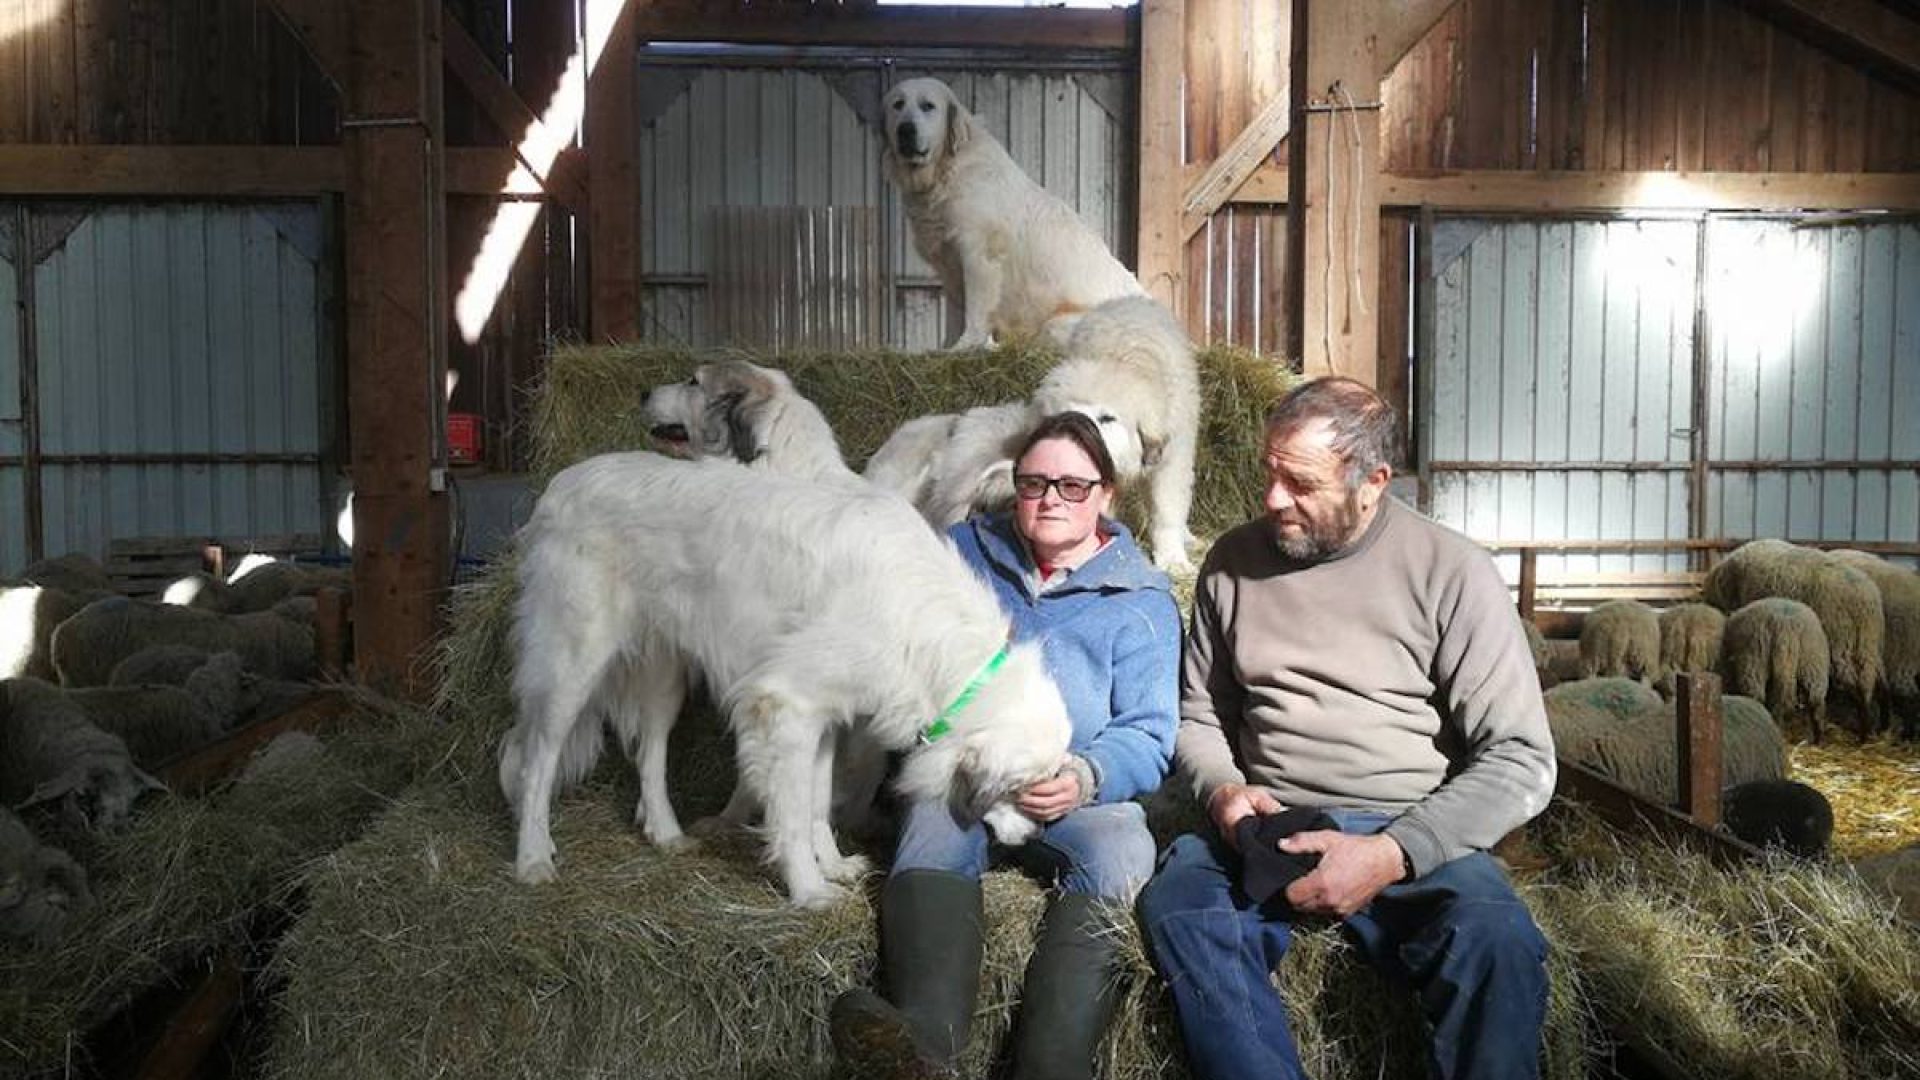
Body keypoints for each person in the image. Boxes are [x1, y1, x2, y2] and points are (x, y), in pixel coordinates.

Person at [1136, 376, 1556, 1080]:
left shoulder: (1452, 572)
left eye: (1300, 483)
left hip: (1412, 826)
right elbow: (1202, 715)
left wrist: (1394, 853)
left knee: (1498, 941)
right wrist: (1223, 793)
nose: (1273, 499)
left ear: (1374, 482)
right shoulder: (1231, 567)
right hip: (1271, 825)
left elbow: (1521, 757)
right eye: (1270, 474)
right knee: (1182, 906)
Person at [830, 411, 1182, 1080]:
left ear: (1106, 494)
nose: (1051, 497)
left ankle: (1052, 1065)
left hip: (1073, 790)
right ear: (1013, 486)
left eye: (1073, 486)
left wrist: (1085, 773)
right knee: (932, 819)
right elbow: (896, 657)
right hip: (964, 768)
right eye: (1034, 482)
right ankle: (925, 1050)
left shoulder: (1141, 600)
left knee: (1123, 847)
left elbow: (1151, 731)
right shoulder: (961, 553)